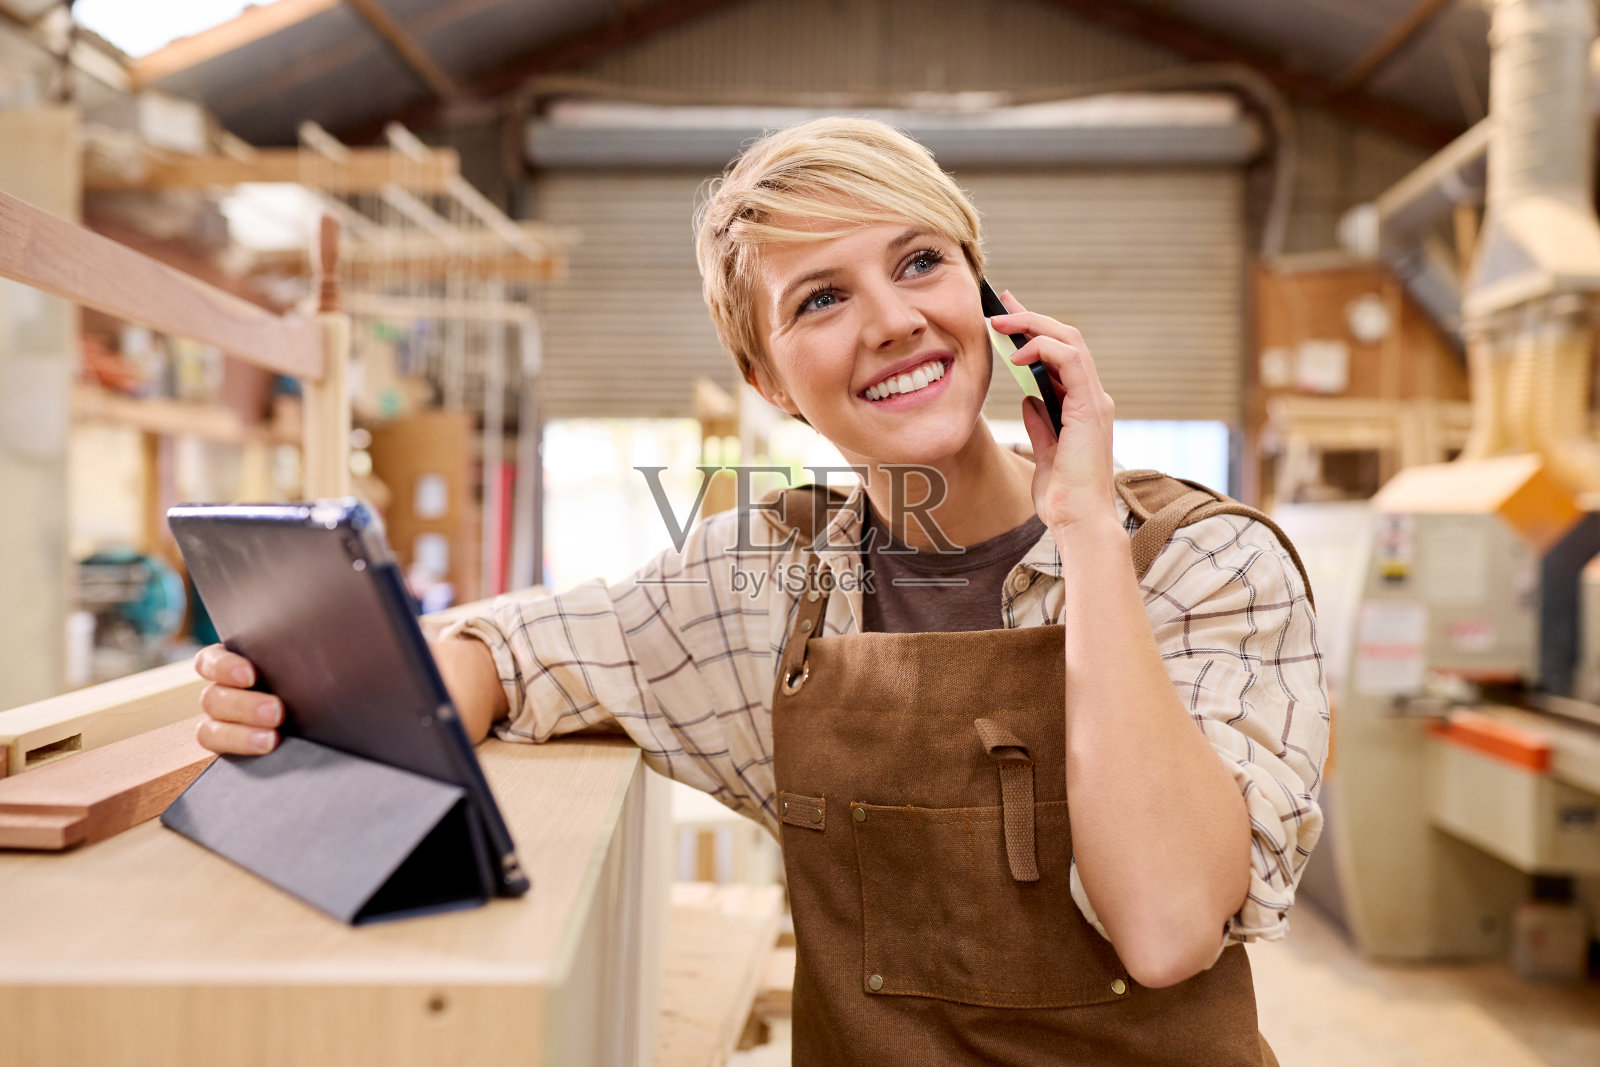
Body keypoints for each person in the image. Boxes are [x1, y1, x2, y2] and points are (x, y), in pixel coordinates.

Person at [193, 117, 1327, 1065]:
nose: (891, 318)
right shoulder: (767, 584)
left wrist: (1082, 526)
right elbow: (513, 650)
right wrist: (321, 706)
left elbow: (1170, 924)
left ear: (990, 295)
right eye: (820, 299)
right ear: (765, 377)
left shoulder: (1200, 564)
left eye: (920, 261)